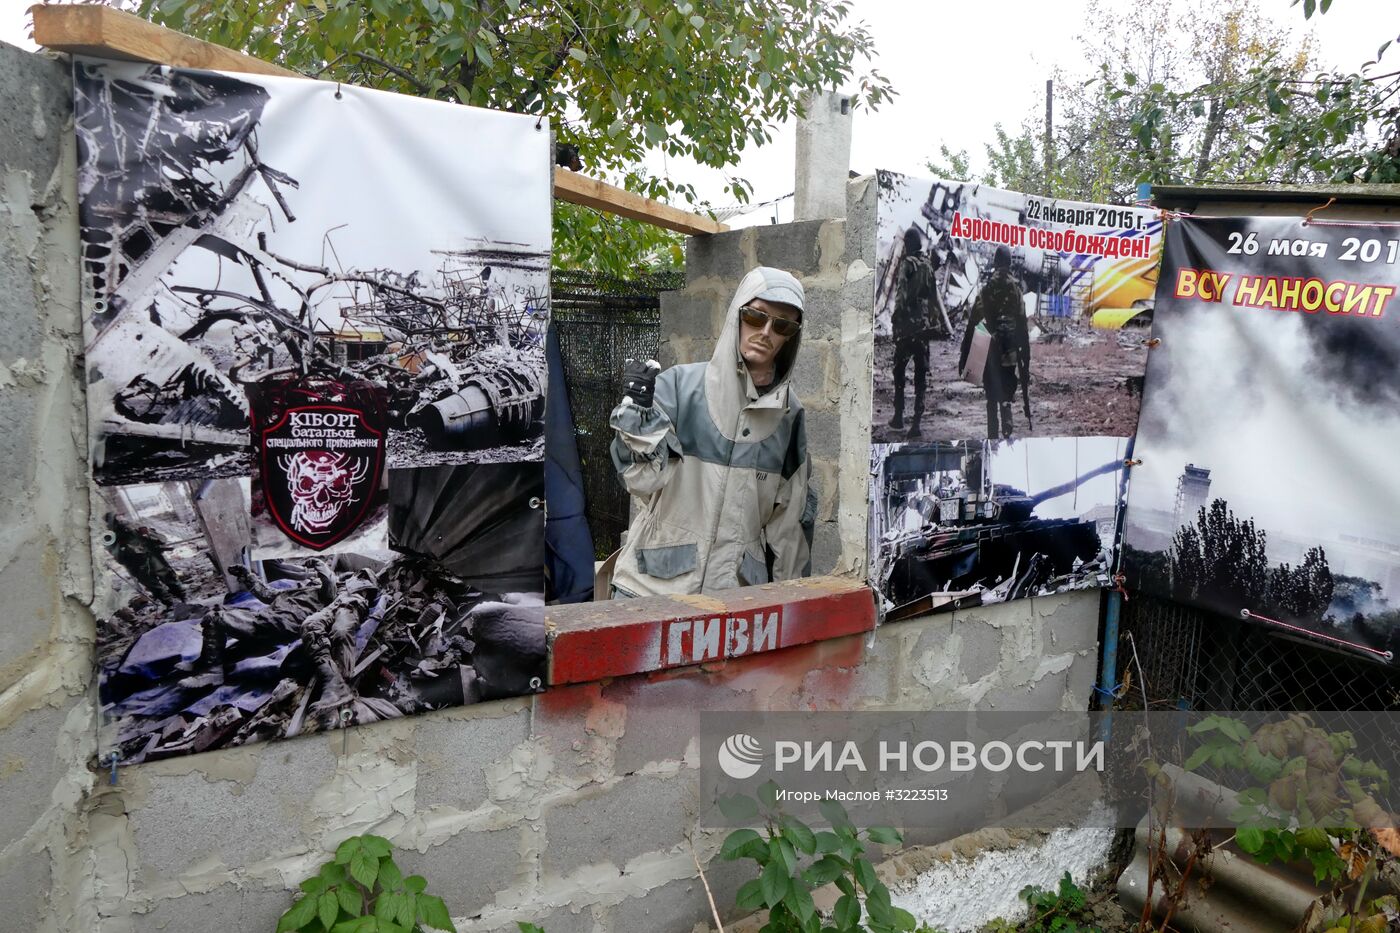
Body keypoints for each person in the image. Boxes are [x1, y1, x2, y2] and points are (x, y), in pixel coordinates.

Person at [600, 267, 814, 597]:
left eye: (782, 324)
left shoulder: (789, 416)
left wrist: (791, 604)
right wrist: (636, 421)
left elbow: (789, 527)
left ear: (791, 336)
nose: (766, 331)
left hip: (732, 602)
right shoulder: (678, 387)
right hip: (651, 590)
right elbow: (641, 481)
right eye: (756, 317)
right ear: (737, 314)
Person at [959, 245, 1031, 440]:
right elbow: (1023, 326)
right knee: (1007, 388)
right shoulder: (1016, 290)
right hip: (1010, 349)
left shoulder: (987, 289)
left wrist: (964, 355)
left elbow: (973, 323)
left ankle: (992, 434)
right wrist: (1026, 356)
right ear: (1009, 263)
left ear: (996, 262)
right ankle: (1007, 416)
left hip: (991, 350)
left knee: (991, 395)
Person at [889, 227, 944, 439]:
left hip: (906, 328)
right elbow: (933, 301)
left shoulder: (907, 264)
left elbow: (901, 296)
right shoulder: (928, 267)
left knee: (899, 371)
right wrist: (934, 323)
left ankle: (899, 416)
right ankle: (917, 424)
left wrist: (895, 318)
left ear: (909, 244)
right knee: (921, 376)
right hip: (922, 329)